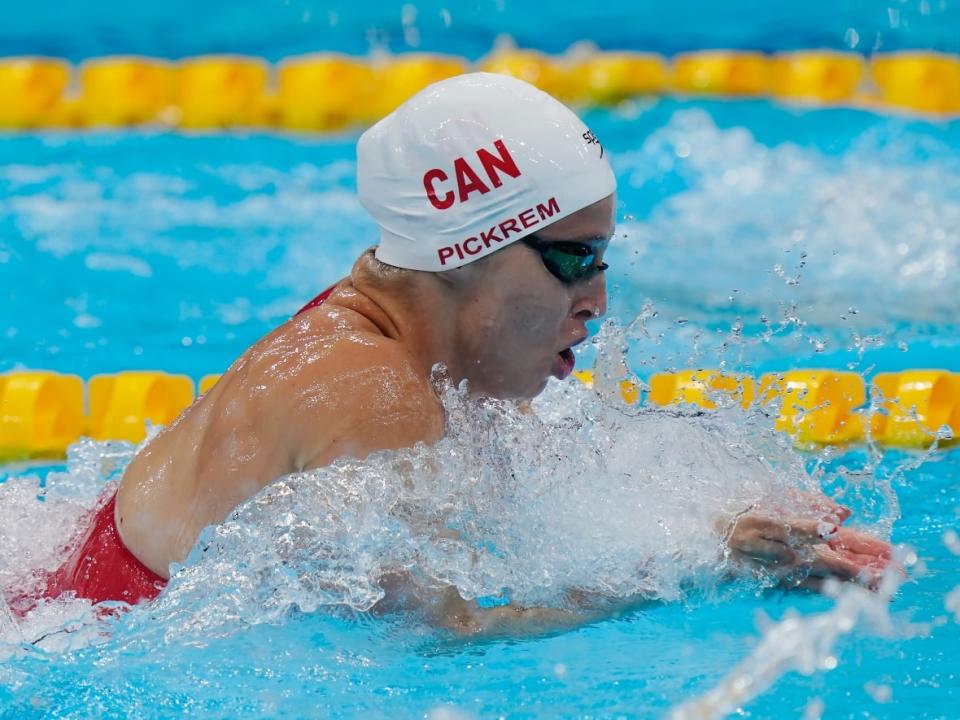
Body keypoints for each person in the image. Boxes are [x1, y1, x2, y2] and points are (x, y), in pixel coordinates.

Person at [32, 73, 892, 631]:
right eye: (573, 260)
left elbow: (515, 507)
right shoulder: (370, 390)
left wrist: (711, 518)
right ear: (467, 252)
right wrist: (708, 566)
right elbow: (447, 638)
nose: (596, 301)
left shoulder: (379, 335)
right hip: (78, 643)